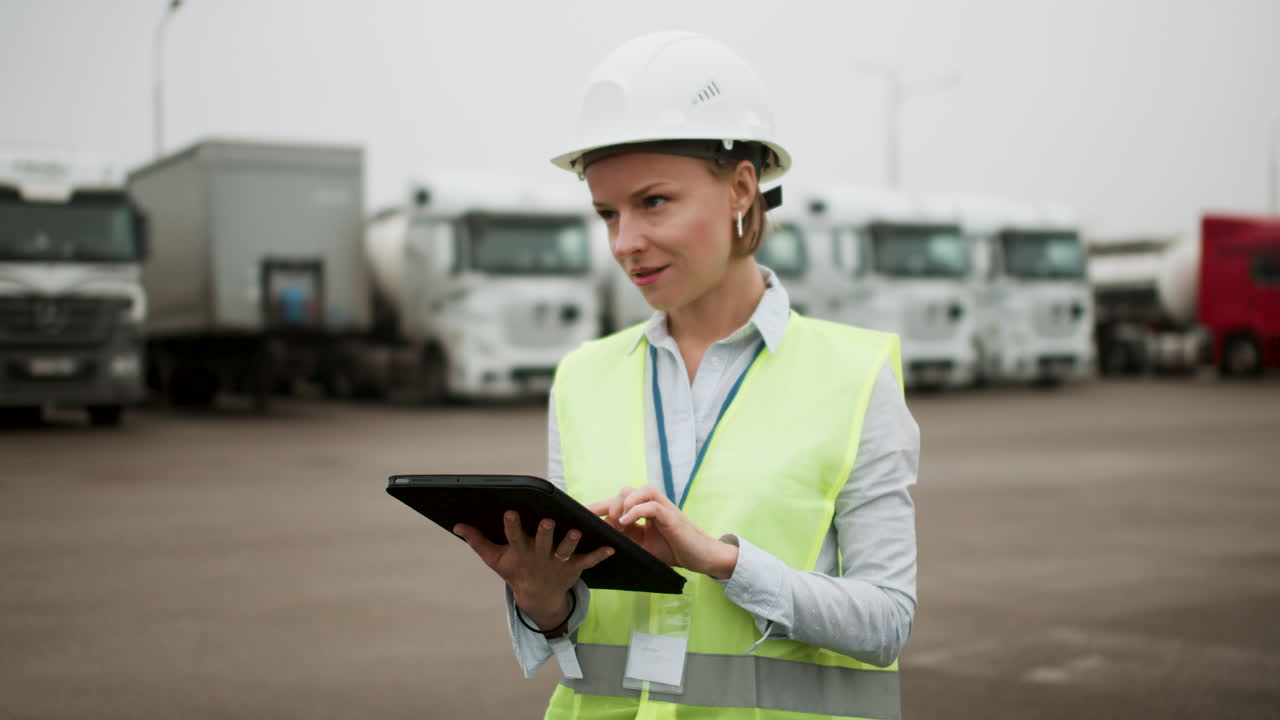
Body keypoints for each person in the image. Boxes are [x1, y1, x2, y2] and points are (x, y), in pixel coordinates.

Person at [451, 31, 919, 720]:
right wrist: (541, 597)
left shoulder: (854, 375)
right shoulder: (583, 377)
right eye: (608, 213)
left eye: (653, 202)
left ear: (740, 188)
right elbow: (575, 635)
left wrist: (724, 562)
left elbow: (885, 622)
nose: (624, 242)